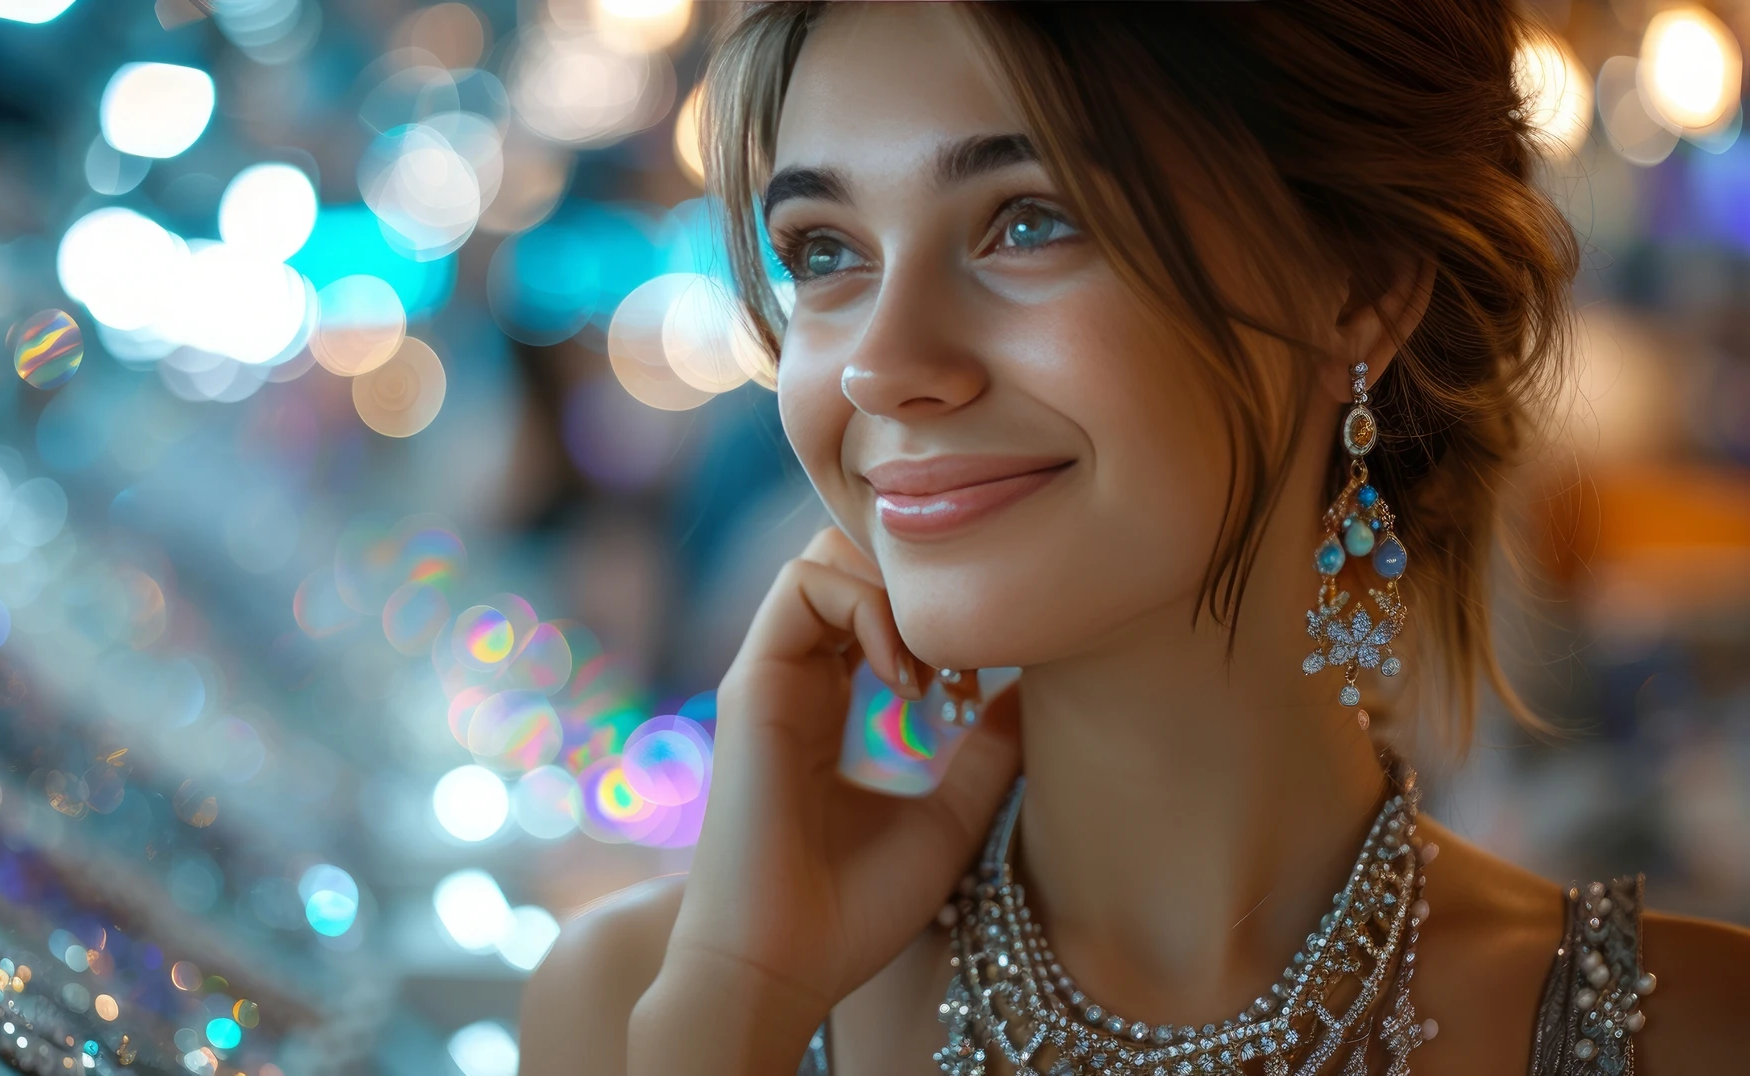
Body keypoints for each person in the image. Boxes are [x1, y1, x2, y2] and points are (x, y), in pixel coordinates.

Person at [520, 3, 1750, 1073]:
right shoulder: (638, 1006)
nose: (883, 367)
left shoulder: (1684, 1034)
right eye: (824, 252)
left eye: (1027, 220)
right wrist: (735, 1006)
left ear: (1359, 281)